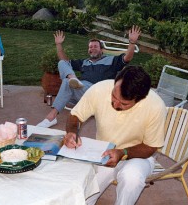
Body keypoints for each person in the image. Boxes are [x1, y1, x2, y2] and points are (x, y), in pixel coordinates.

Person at [64, 65, 166, 205]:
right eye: (113, 95)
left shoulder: (155, 106)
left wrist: (122, 153)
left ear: (140, 99)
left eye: (124, 103)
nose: (115, 104)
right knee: (80, 197)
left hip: (138, 156)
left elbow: (150, 147)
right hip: (102, 153)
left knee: (132, 178)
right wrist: (71, 132)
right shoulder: (99, 89)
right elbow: (75, 115)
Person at [37, 25, 141, 128]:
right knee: (62, 64)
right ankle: (72, 79)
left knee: (67, 82)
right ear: (88, 50)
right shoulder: (84, 62)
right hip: (82, 92)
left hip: (98, 93)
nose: (93, 48)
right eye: (91, 47)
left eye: (96, 46)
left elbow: (127, 58)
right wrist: (58, 44)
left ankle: (51, 117)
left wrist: (132, 42)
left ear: (102, 50)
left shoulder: (111, 60)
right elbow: (65, 61)